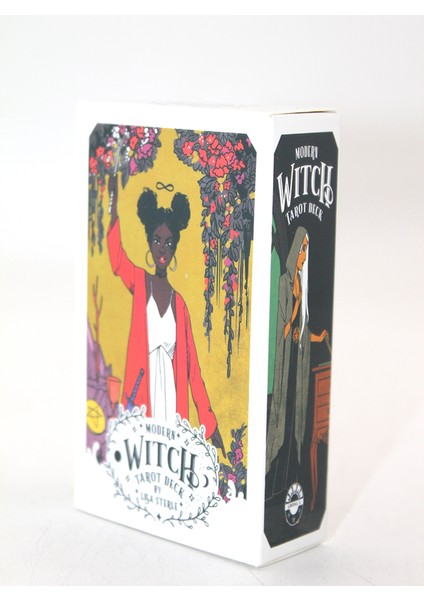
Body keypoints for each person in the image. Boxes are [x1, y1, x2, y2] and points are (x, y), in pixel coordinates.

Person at [107, 175, 226, 456]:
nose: (163, 248)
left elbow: (193, 370)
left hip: (172, 403)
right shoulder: (140, 282)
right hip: (142, 395)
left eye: (169, 243)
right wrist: (112, 203)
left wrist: (209, 424)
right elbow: (116, 258)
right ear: (149, 242)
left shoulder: (179, 304)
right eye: (158, 240)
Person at [266, 226, 328, 494]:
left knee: (295, 428)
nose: (304, 255)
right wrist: (294, 310)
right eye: (301, 249)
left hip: (297, 368)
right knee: (281, 427)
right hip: (284, 369)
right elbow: (283, 332)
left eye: (306, 250)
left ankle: (291, 477)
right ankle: (274, 483)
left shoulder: (302, 286)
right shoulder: (284, 284)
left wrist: (318, 337)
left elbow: (300, 333)